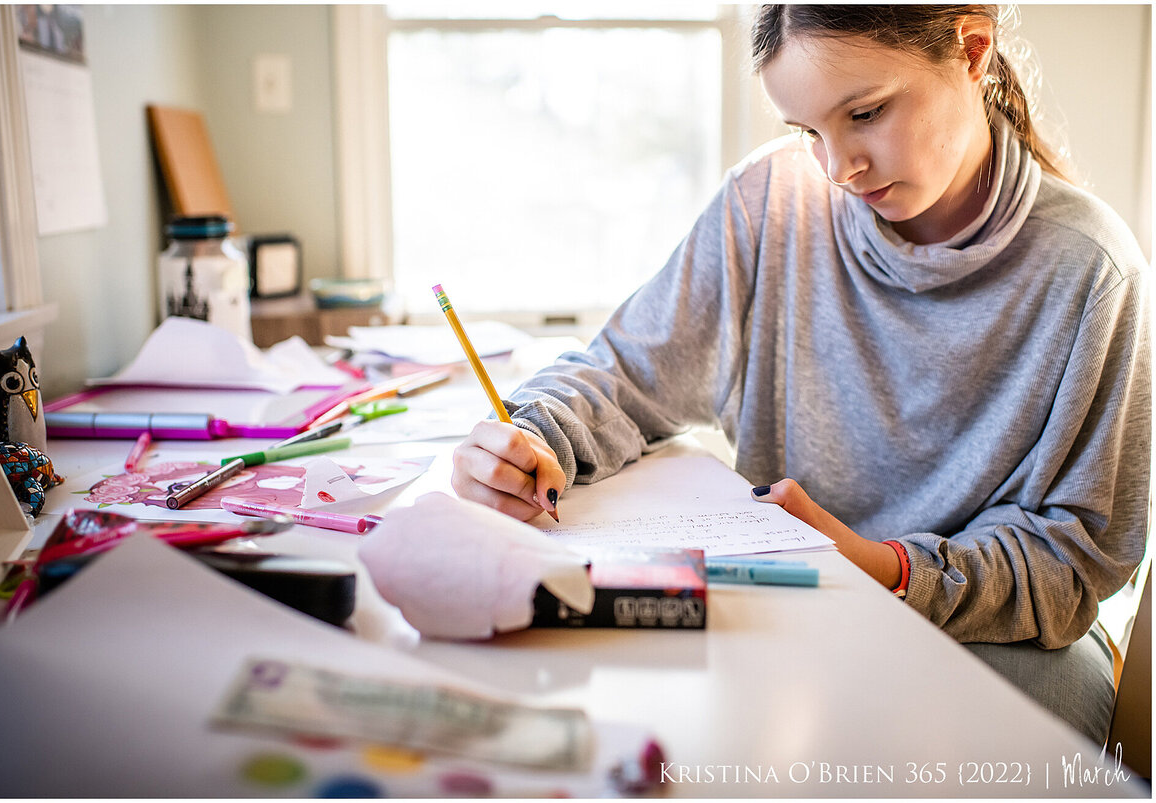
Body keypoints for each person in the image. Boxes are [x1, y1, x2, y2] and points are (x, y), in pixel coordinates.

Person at [451, 4, 1150, 745]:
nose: (839, 168)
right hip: (795, 606)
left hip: (1000, 640)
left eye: (868, 113)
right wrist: (529, 435)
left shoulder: (1093, 271)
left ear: (972, 49)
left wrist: (886, 569)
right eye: (808, 131)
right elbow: (623, 372)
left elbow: (1073, 560)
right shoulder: (772, 202)